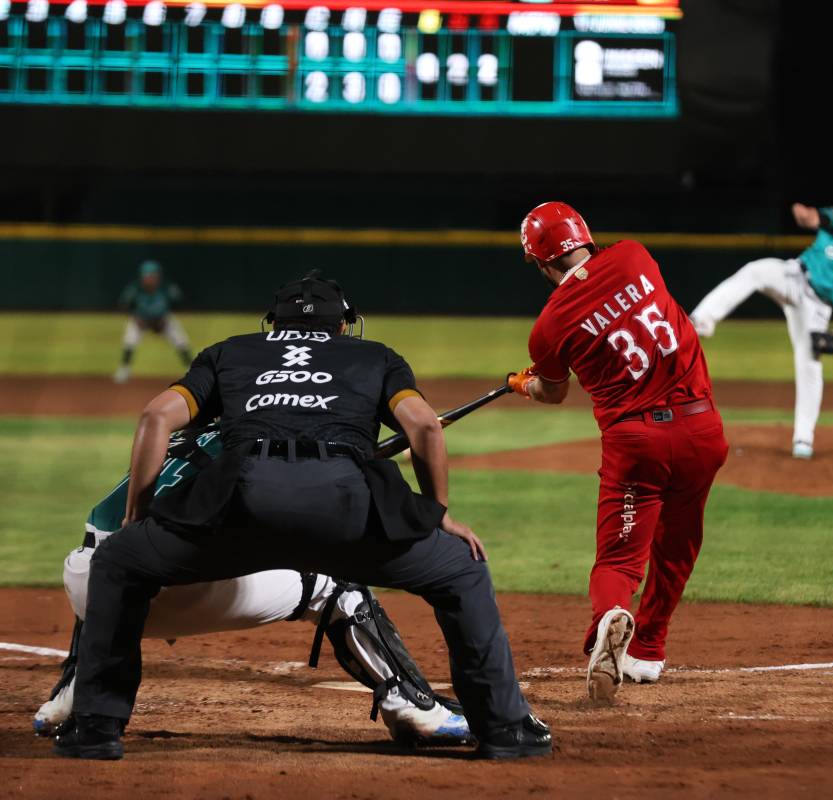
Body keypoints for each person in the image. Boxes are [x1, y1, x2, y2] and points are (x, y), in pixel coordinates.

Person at [53, 272, 548, 761]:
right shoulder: (376, 357)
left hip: (239, 508)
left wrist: (139, 519)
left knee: (119, 562)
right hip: (346, 506)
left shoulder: (230, 352)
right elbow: (424, 429)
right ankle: (505, 730)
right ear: (342, 325)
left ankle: (95, 729)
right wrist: (436, 514)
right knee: (461, 570)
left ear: (273, 324)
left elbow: (155, 417)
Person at [34, 422, 471, 747]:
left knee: (115, 560)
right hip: (161, 591)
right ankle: (414, 709)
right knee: (334, 583)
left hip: (85, 581)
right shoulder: (268, 443)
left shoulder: (195, 431)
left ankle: (71, 696)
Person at [508, 202, 729, 702]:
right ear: (583, 234)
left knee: (620, 560)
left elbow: (555, 391)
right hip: (702, 431)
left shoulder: (549, 326)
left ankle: (610, 617)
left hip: (638, 446)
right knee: (677, 546)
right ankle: (648, 651)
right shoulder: (635, 256)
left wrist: (525, 384)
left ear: (541, 262)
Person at [689, 181, 833, 459]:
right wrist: (806, 216)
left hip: (818, 308)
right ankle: (701, 322)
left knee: (810, 367)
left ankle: (803, 439)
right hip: (795, 277)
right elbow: (816, 217)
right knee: (756, 271)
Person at [114, 259, 192, 383]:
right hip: (141, 320)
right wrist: (136, 317)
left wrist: (165, 317)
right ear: (142, 277)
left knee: (180, 339)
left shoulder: (167, 287)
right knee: (129, 339)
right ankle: (124, 369)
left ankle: (191, 370)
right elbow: (123, 305)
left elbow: (179, 303)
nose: (151, 279)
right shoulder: (135, 288)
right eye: (148, 276)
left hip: (162, 319)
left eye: (153, 276)